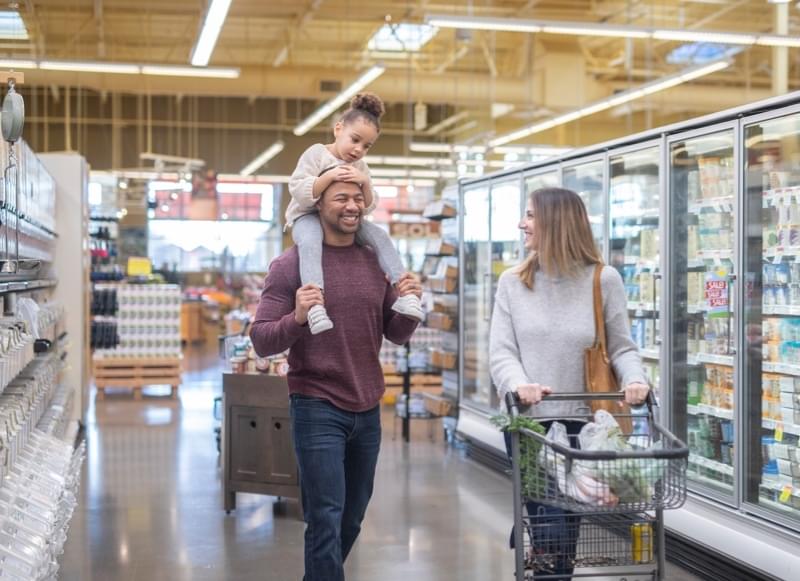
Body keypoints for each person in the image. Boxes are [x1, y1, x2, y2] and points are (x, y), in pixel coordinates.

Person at [250, 170, 421, 581]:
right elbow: (261, 340)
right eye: (342, 198)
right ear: (319, 204)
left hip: (368, 406)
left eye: (358, 198)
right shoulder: (290, 266)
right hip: (316, 403)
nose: (352, 206)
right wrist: (297, 317)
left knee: (353, 516)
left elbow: (395, 334)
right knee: (325, 515)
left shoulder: (374, 262)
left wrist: (410, 301)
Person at [489, 186, 649, 580]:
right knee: (552, 524)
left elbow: (622, 347)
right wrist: (519, 384)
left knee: (565, 528)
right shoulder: (513, 282)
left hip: (585, 425)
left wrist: (636, 380)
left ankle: (548, 564)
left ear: (556, 223)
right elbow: (501, 352)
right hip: (530, 425)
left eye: (530, 215)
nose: (521, 223)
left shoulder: (603, 279)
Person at [287, 92, 424, 335]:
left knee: (380, 236)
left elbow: (368, 206)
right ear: (338, 129)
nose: (358, 149)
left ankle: (405, 291)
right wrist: (328, 177)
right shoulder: (317, 153)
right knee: (311, 241)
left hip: (343, 221)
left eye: (366, 146)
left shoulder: (361, 167)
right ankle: (315, 305)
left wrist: (365, 183)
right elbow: (298, 190)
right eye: (355, 139)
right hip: (306, 217)